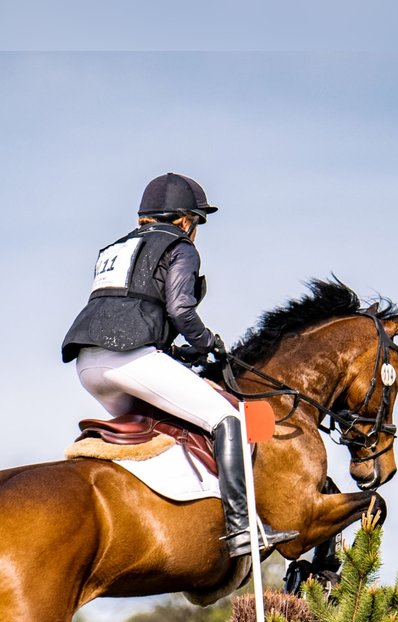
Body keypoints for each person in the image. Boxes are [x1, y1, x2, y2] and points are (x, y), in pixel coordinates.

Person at [62, 172, 299, 558]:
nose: (196, 231)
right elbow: (180, 309)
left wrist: (175, 353)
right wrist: (209, 344)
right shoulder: (180, 246)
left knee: (170, 424)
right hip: (130, 360)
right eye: (197, 223)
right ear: (185, 220)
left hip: (88, 365)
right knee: (228, 419)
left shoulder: (113, 250)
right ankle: (241, 528)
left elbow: (128, 309)